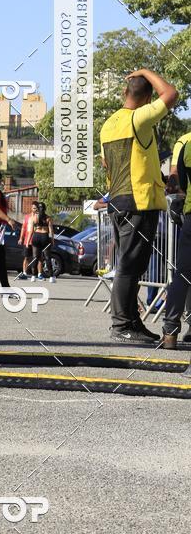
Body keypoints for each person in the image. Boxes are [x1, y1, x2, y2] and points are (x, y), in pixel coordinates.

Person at [100, 68, 178, 344]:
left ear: (124, 92)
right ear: (147, 98)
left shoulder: (108, 124)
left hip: (119, 200)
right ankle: (122, 325)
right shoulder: (139, 118)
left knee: (130, 265)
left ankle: (132, 323)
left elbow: (108, 164)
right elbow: (171, 94)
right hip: (138, 202)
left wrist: (158, 178)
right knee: (130, 266)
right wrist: (147, 71)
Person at [162, 138, 191, 348]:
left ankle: (170, 332)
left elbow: (180, 180)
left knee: (182, 275)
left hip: (190, 215)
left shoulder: (187, 144)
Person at [27, 202, 56, 282]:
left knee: (35, 257)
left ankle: (33, 276)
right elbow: (51, 230)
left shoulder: (34, 217)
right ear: (45, 208)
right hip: (45, 237)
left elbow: (31, 231)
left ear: (37, 209)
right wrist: (52, 240)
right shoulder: (48, 218)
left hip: (36, 237)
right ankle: (51, 277)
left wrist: (27, 242)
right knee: (47, 257)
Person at [18, 201, 39, 280]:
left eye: (36, 208)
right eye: (33, 208)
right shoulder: (27, 217)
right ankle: (24, 273)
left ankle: (36, 274)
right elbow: (23, 228)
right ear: (31, 208)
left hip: (36, 240)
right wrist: (21, 238)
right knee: (26, 257)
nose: (34, 210)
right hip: (27, 240)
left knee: (36, 257)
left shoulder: (39, 217)